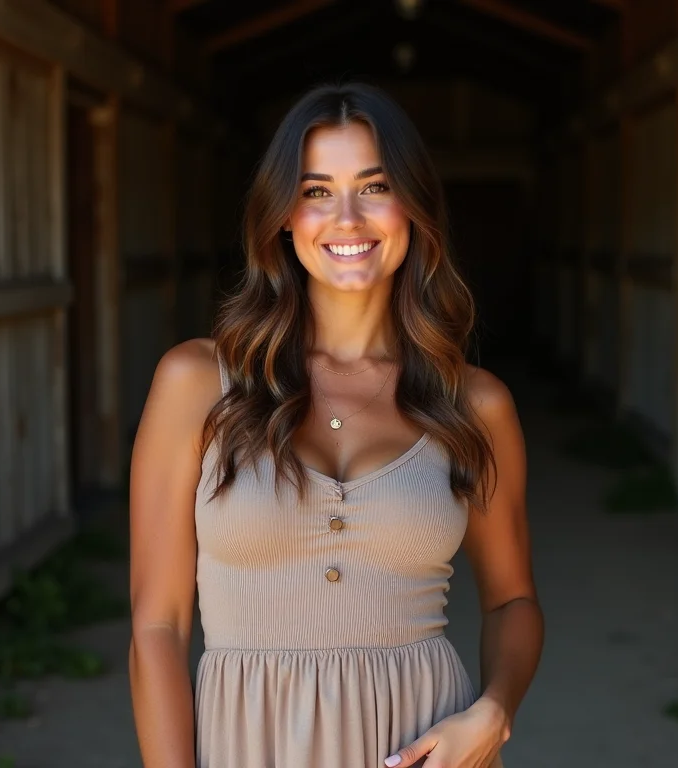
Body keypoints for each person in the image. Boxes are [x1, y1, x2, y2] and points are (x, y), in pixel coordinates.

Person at [128, 81, 544, 768]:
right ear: (283, 217)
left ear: (414, 207)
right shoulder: (196, 383)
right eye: (316, 191)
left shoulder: (475, 404)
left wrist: (493, 713)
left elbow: (513, 602)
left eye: (375, 187)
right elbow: (157, 627)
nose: (347, 218)